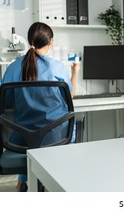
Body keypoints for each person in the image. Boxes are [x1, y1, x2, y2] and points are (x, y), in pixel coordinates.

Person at [1, 22, 80, 191]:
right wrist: (75, 73)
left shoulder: (13, 67)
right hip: (56, 138)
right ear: (50, 43)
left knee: (27, 131)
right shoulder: (57, 67)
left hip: (22, 139)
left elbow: (6, 101)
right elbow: (70, 96)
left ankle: (23, 180)